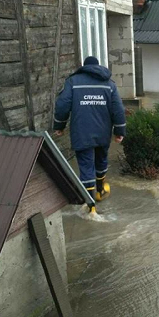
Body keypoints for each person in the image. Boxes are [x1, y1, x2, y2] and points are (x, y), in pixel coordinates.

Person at [53, 56, 126, 212]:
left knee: (86, 167)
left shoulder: (73, 82)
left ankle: (90, 206)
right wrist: (119, 131)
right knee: (101, 160)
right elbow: (118, 109)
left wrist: (59, 126)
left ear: (84, 67)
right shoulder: (109, 84)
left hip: (81, 132)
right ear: (98, 67)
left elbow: (62, 105)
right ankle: (100, 191)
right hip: (103, 132)